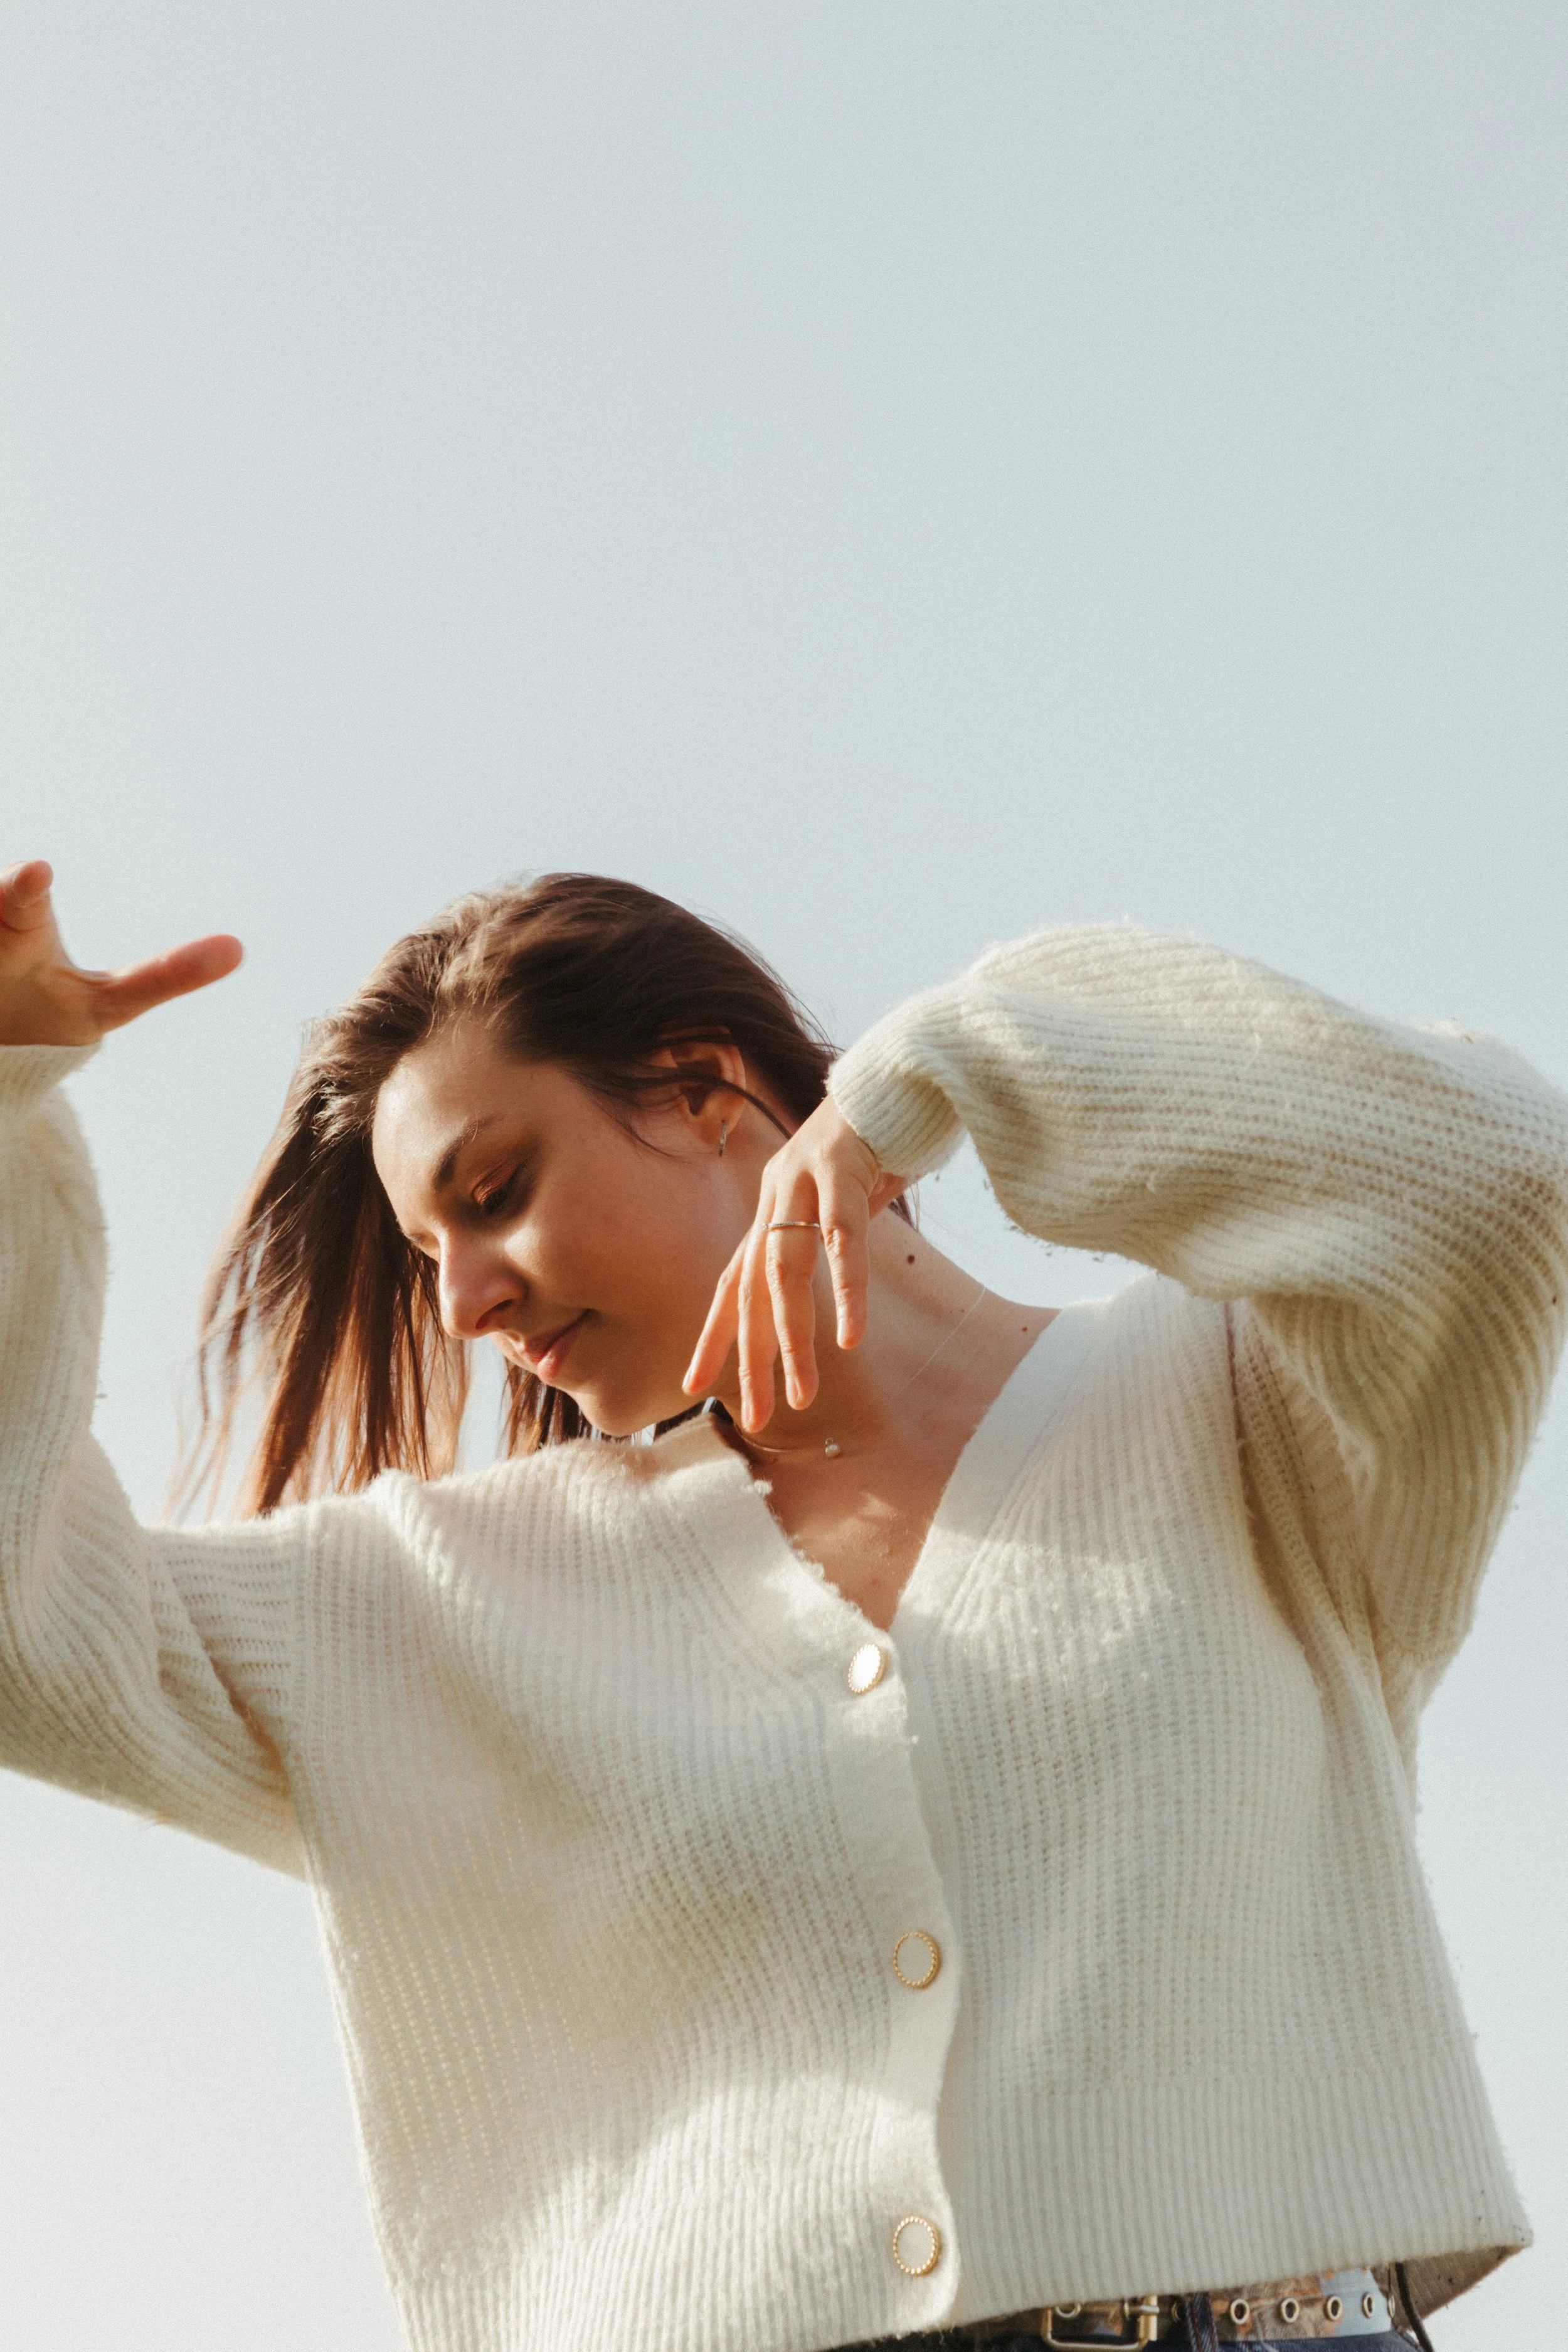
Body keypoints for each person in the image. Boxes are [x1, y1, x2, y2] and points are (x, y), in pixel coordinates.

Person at [2, 856, 1564, 2352]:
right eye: (429, 1253)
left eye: (494, 1192)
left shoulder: (1239, 1417)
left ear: (704, 1089)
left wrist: (926, 1081)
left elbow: (1495, 1172)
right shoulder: (422, 1602)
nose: (466, 1302)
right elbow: (30, 1628)